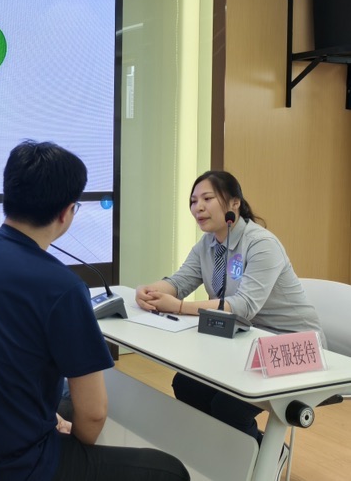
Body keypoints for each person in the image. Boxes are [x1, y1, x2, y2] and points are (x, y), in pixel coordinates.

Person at [0, 141, 190, 481]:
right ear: (66, 212)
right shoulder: (61, 286)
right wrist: (70, 443)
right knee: (170, 471)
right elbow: (93, 416)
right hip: (12, 466)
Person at [135, 170, 322, 445]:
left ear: (235, 203)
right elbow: (179, 281)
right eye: (193, 201)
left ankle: (265, 455)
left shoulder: (262, 243)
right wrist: (150, 290)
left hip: (294, 346)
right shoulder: (208, 244)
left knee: (229, 406)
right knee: (187, 386)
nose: (198, 207)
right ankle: (225, 455)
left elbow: (243, 306)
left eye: (207, 198)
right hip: (246, 342)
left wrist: (181, 306)